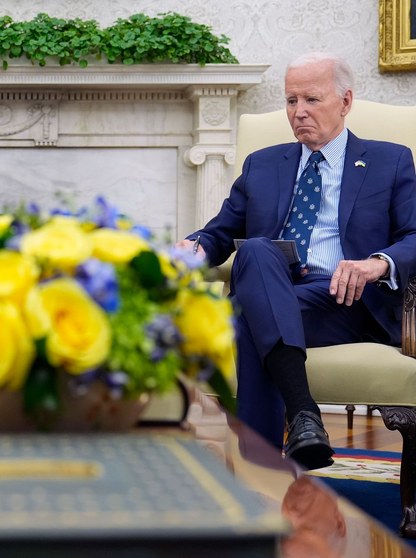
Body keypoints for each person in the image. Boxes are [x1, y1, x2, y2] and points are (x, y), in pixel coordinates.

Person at [176, 52, 416, 470]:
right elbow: (218, 233)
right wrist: (193, 249)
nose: (298, 112)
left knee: (245, 318)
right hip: (278, 289)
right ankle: (304, 416)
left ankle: (260, 471)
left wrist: (376, 263)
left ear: (345, 102)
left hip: (347, 301)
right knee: (254, 249)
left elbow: (414, 235)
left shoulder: (389, 160)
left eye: (311, 100)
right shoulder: (262, 164)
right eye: (291, 101)